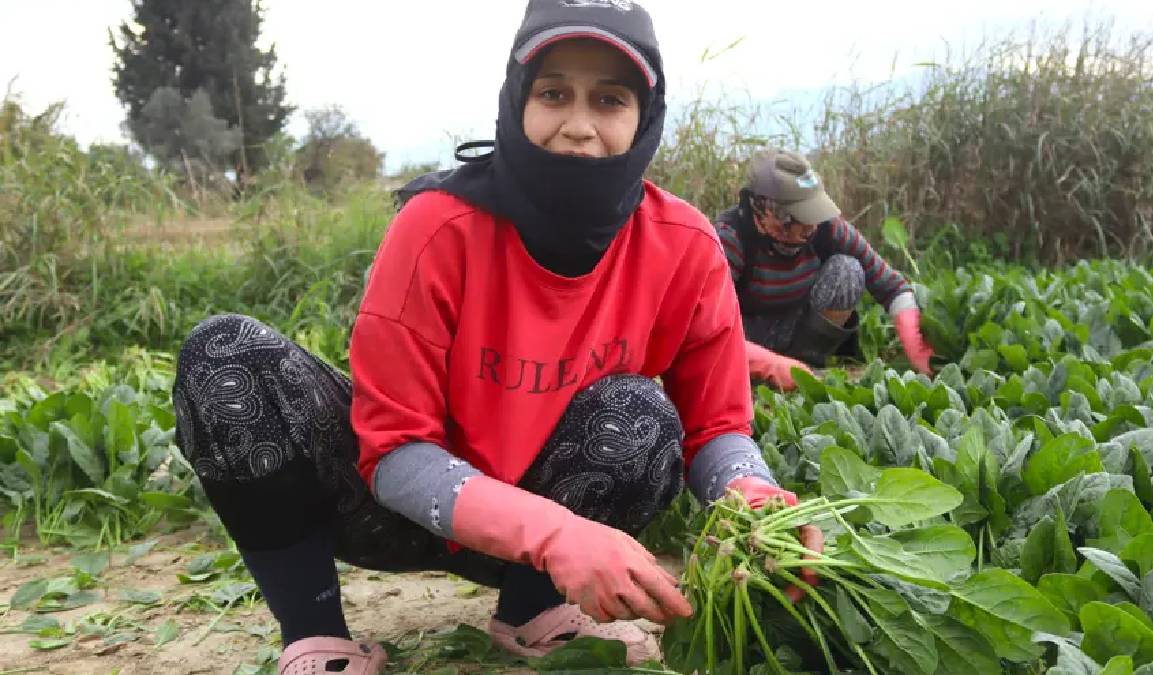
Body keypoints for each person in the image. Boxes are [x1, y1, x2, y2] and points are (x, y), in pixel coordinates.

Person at [171, 2, 821, 674]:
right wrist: (554, 533)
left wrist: (753, 497)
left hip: (547, 527)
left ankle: (532, 610)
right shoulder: (435, 227)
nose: (578, 125)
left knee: (640, 415)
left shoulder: (684, 246)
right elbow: (394, 449)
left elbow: (717, 427)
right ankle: (315, 634)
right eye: (553, 94)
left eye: (609, 99)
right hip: (395, 510)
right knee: (224, 355)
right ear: (517, 100)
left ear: (645, 116)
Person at [714, 149, 935, 390]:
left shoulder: (827, 229)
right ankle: (757, 376)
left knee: (847, 271)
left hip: (797, 329)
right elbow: (709, 326)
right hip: (746, 338)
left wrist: (915, 343)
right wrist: (768, 365)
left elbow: (890, 285)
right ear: (767, 210)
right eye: (802, 217)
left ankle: (806, 366)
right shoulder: (730, 239)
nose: (812, 227)